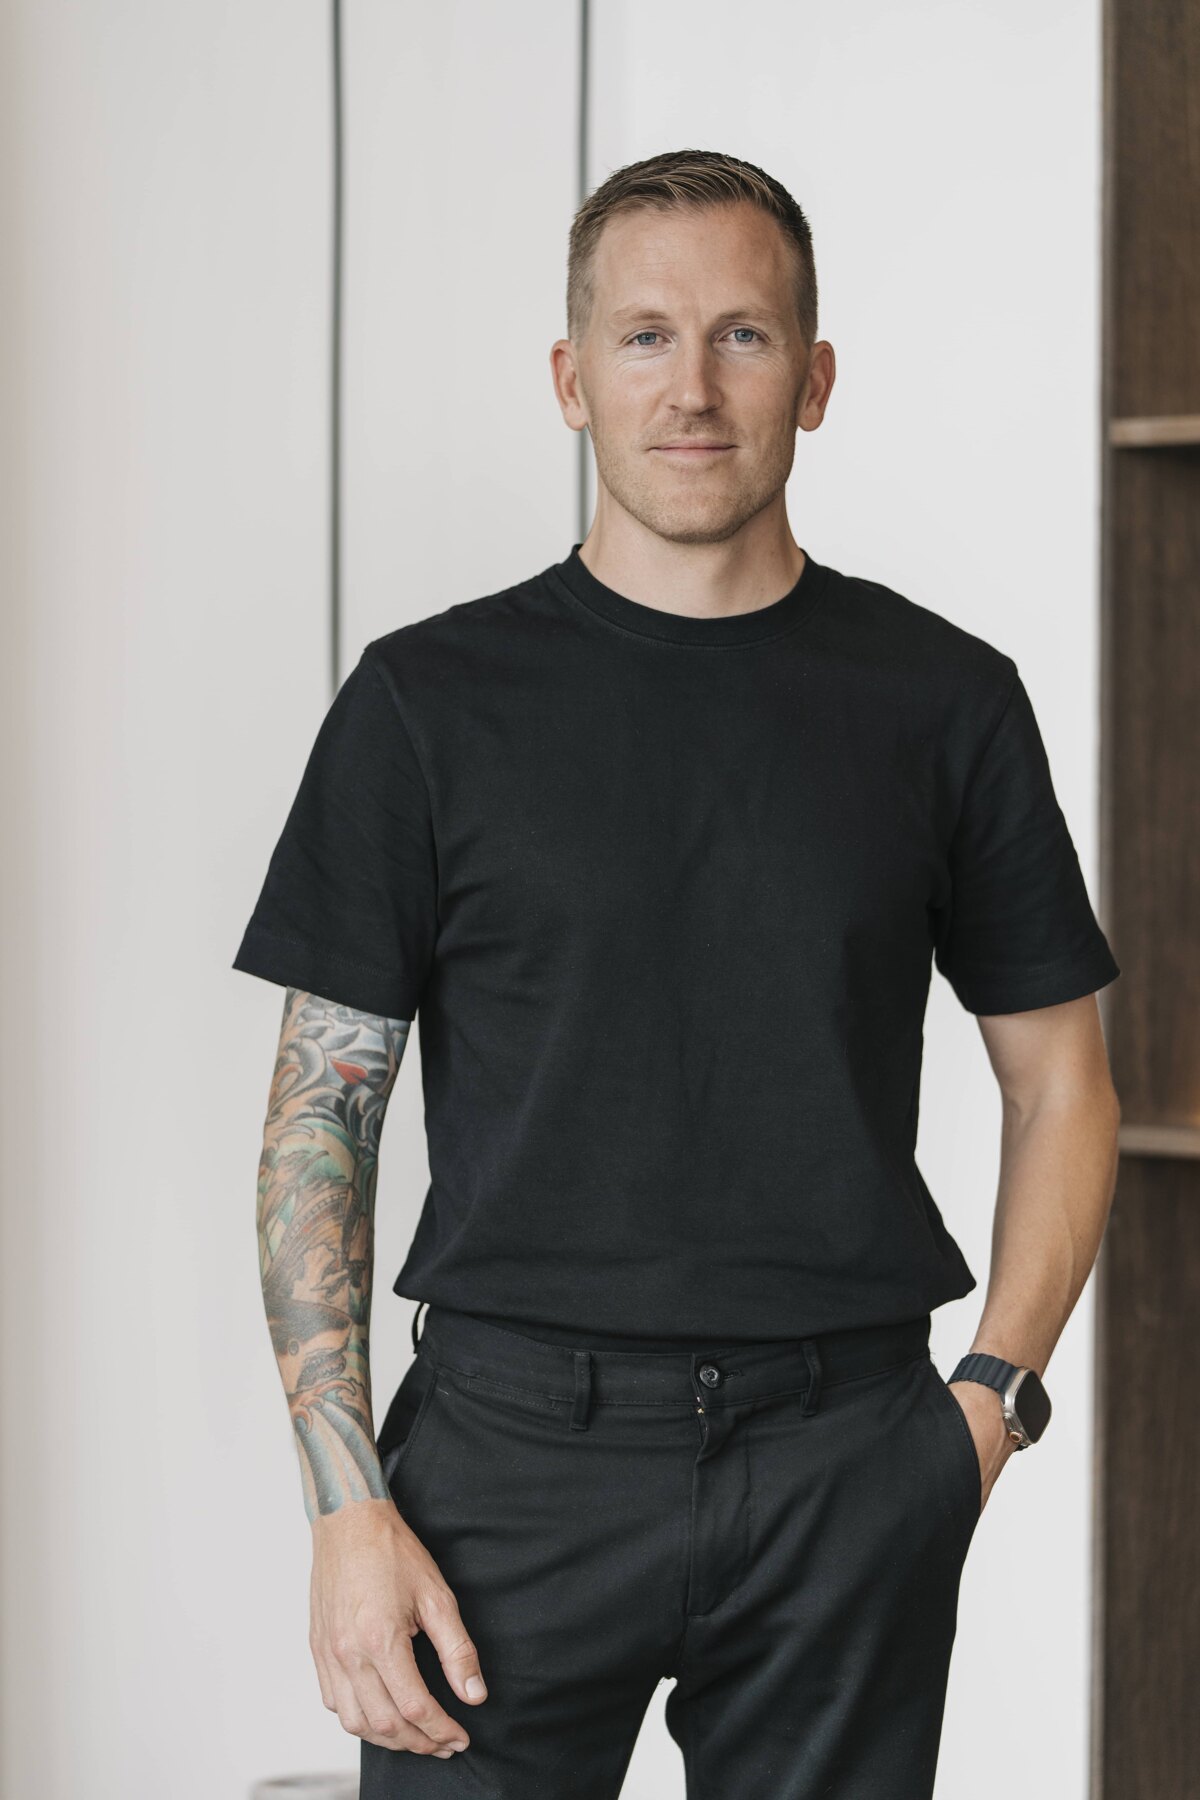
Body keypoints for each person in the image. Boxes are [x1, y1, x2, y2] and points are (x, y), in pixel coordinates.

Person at [232, 148, 1122, 1799]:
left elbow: (1061, 1079)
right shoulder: (427, 706)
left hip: (847, 1455)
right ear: (572, 381)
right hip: (502, 1464)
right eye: (643, 339)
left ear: (818, 377)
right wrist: (345, 1504)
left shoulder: (945, 702)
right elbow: (320, 1121)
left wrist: (987, 1404)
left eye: (744, 336)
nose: (693, 388)